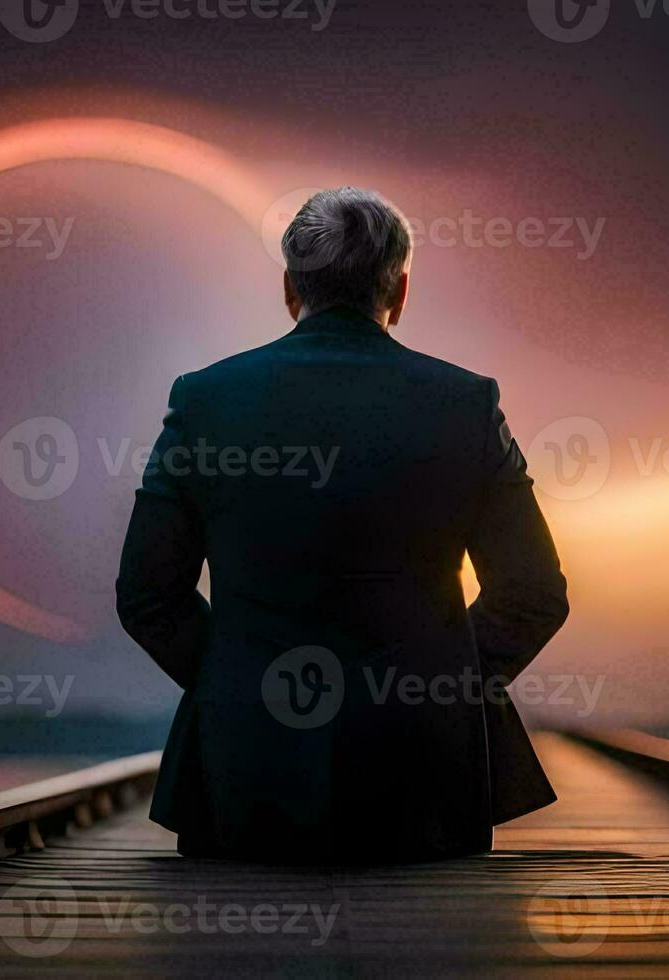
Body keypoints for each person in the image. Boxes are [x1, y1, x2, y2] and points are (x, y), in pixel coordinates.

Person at [116, 187, 569, 863]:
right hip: (423, 788)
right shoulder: (465, 404)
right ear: (401, 290)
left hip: (246, 782)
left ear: (290, 288)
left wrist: (237, 680)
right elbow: (532, 593)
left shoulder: (205, 401)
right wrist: (436, 679)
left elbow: (148, 595)